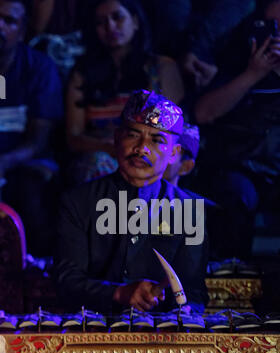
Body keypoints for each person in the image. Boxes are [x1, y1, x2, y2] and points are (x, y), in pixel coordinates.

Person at [55, 89, 208, 316]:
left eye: (156, 140)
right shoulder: (78, 202)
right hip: (90, 332)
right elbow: (65, 281)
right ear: (117, 138)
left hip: (160, 339)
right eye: (133, 135)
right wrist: (119, 294)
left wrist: (183, 311)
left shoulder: (189, 211)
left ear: (174, 153)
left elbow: (193, 294)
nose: (141, 148)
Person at [194, 0, 280, 260]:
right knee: (234, 196)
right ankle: (231, 280)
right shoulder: (240, 63)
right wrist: (253, 74)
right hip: (244, 168)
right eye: (273, 25)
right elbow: (203, 113)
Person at [65, 0, 185, 186]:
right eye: (100, 22)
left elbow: (175, 130)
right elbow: (74, 137)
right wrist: (110, 148)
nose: (110, 26)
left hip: (148, 155)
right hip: (101, 158)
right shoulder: (82, 74)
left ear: (135, 21)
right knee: (98, 164)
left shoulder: (160, 69)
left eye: (118, 17)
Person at [0, 0, 63, 256]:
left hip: (27, 162)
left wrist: (4, 162)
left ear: (23, 30)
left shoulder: (39, 68)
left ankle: (36, 274)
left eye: (9, 21)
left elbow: (38, 139)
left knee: (30, 194)